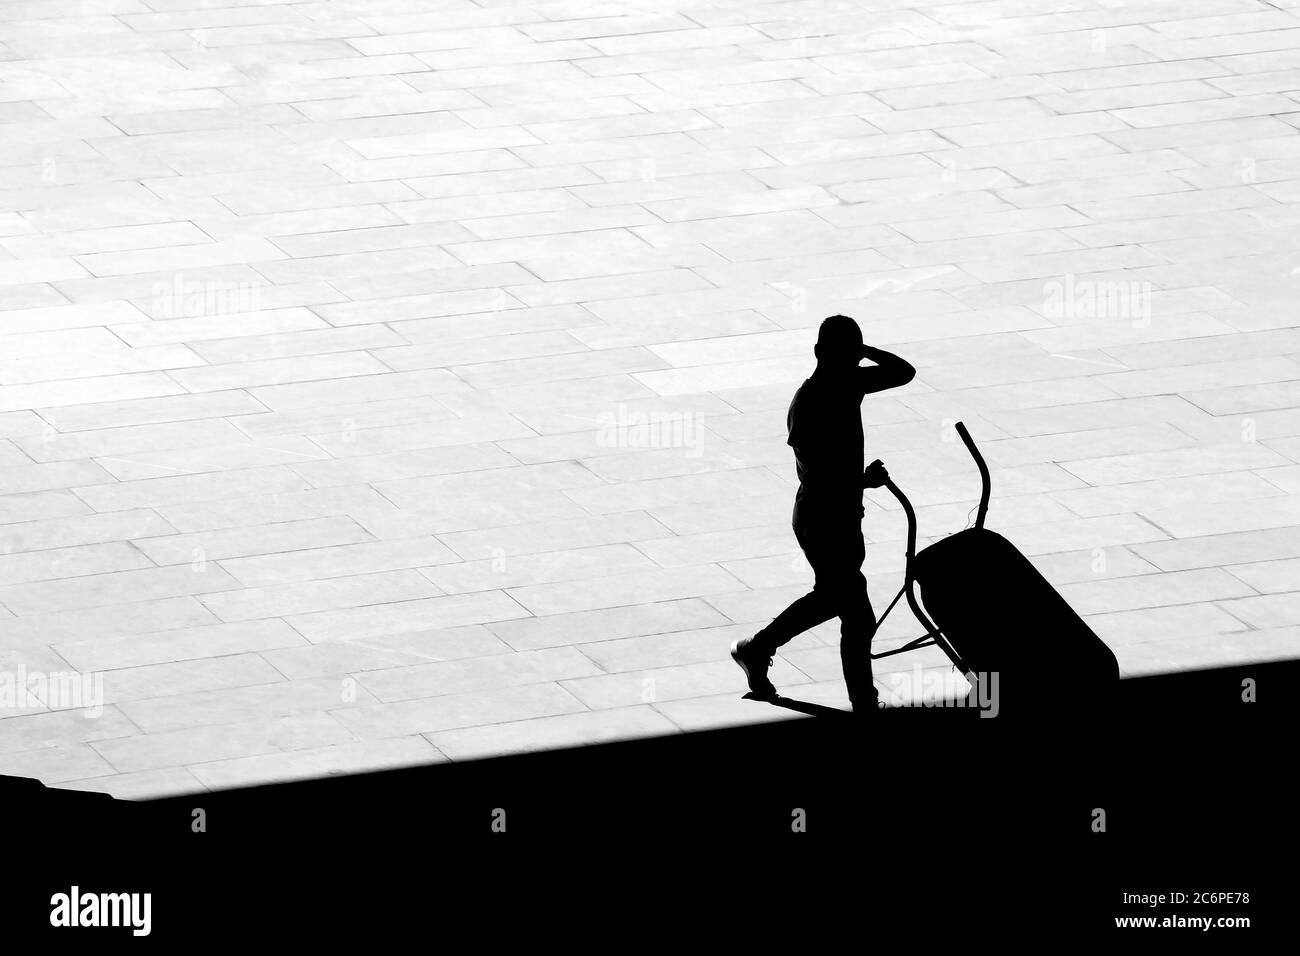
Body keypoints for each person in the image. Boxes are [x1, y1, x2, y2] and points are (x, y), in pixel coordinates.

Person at [731, 315, 916, 713]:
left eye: (856, 357)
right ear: (819, 355)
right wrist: (861, 481)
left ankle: (758, 647)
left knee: (833, 599)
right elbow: (818, 471)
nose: (854, 364)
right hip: (820, 518)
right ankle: (864, 703)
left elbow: (903, 372)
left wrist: (859, 353)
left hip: (843, 514)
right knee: (856, 611)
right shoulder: (811, 402)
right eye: (846, 355)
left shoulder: (849, 381)